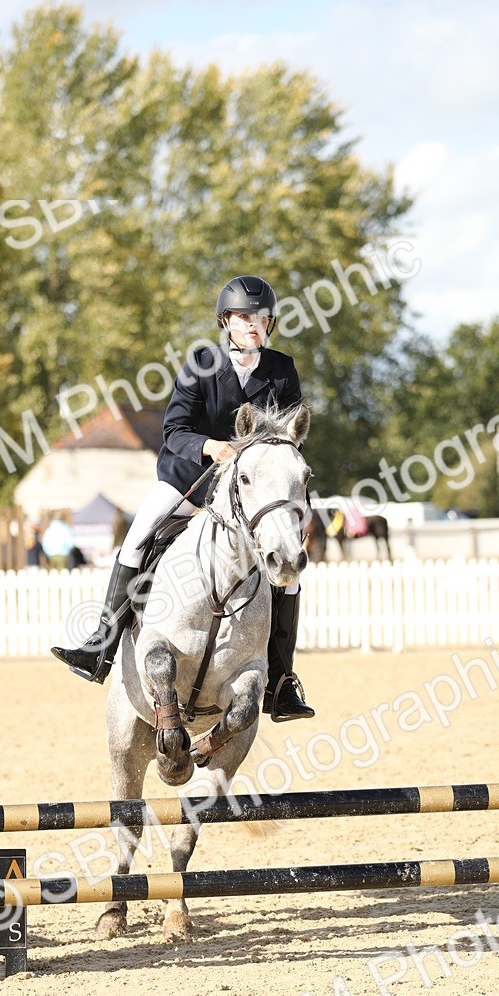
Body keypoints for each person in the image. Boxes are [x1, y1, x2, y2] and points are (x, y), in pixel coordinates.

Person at [51, 274, 315, 721]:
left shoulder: (281, 369)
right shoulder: (202, 363)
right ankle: (102, 644)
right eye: (244, 317)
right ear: (226, 322)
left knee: (288, 571)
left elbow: (286, 438)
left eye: (262, 317)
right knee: (136, 540)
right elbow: (174, 430)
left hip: (250, 493)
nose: (254, 324)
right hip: (191, 477)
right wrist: (211, 447)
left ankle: (282, 680)